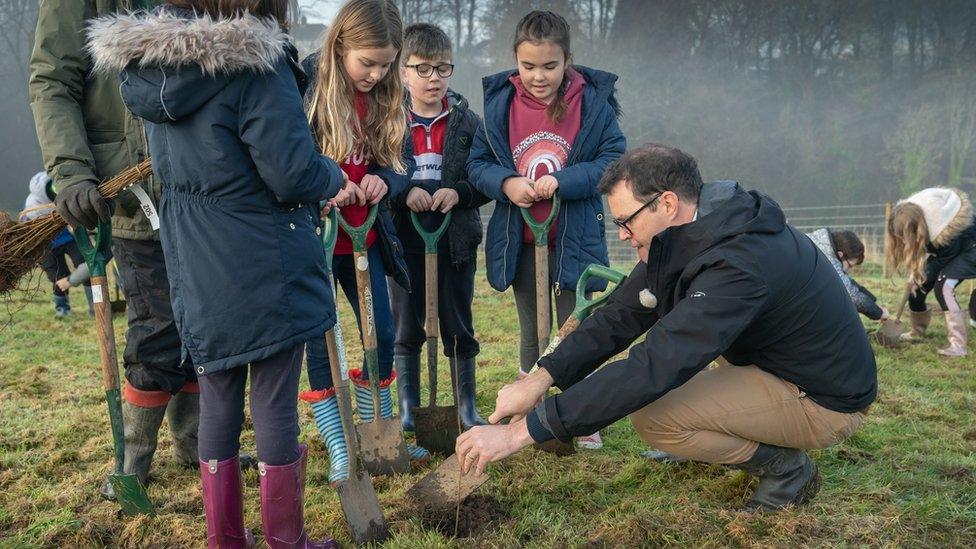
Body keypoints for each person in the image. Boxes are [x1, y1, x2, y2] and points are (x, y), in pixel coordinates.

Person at [456, 143, 877, 512]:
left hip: (824, 398)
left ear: (667, 204)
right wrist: (543, 376)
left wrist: (520, 435)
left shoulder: (737, 264)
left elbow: (653, 365)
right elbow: (619, 316)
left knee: (655, 419)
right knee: (668, 388)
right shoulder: (695, 231)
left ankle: (787, 470)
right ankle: (717, 432)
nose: (622, 236)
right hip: (775, 367)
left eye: (625, 221)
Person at [88, 1, 346, 546]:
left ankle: (224, 539)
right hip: (266, 261)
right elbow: (291, 172)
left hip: (196, 266)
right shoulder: (256, 63)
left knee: (219, 397)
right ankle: (285, 540)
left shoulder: (153, 70)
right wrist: (332, 172)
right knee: (274, 401)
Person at [30, 0, 200, 501]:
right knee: (159, 323)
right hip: (129, 189)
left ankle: (194, 445)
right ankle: (133, 463)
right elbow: (52, 81)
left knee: (202, 322)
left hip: (204, 184)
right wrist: (72, 169)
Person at [466, 10, 626, 449]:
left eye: (550, 66)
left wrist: (565, 181)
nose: (539, 76)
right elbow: (477, 165)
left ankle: (581, 413)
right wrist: (506, 183)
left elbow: (614, 158)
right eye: (528, 66)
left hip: (574, 239)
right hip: (521, 240)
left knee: (575, 330)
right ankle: (531, 416)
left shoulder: (590, 102)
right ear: (515, 62)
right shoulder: (501, 104)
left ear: (567, 59)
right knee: (532, 332)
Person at [297, 0, 428, 486]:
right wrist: (324, 185)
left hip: (365, 237)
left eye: (386, 64)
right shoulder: (305, 87)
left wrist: (384, 181)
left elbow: (404, 163)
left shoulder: (391, 96)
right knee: (318, 340)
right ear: (339, 46)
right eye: (366, 63)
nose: (375, 73)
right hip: (315, 238)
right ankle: (338, 442)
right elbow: (287, 160)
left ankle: (381, 430)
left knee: (383, 331)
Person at [388, 22, 488, 432]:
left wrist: (459, 193)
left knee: (458, 320)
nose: (434, 79)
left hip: (455, 241)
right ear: (403, 71)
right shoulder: (390, 121)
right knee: (406, 324)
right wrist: (403, 192)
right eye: (423, 69)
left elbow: (484, 177)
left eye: (443, 69)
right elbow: (380, 170)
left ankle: (466, 407)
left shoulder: (467, 124)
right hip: (404, 242)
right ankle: (410, 409)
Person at [887, 187, 976, 357]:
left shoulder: (942, 231)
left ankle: (958, 345)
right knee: (916, 287)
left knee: (944, 285)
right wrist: (916, 275)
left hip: (970, 248)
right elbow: (926, 251)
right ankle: (917, 331)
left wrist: (919, 271)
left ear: (916, 229)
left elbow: (945, 258)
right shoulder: (912, 217)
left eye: (905, 236)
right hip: (947, 249)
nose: (904, 242)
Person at [20, 171, 94, 318]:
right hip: (46, 245)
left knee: (84, 264)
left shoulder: (56, 185)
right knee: (58, 277)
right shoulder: (33, 206)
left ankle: (96, 306)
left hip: (67, 238)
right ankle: (62, 309)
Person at [806, 228, 889, 321]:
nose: (848, 270)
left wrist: (873, 300)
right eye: (849, 265)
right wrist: (879, 313)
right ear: (841, 254)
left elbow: (846, 281)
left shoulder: (821, 241)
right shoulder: (828, 258)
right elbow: (850, 295)